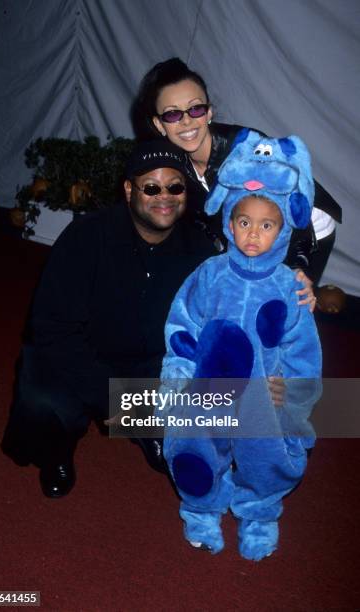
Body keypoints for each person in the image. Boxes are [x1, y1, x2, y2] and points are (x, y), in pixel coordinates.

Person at [1, 139, 313, 498]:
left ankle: (148, 429)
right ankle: (58, 449)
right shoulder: (86, 236)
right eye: (151, 187)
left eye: (174, 186)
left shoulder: (199, 250)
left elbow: (231, 316)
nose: (164, 196)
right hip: (76, 357)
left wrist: (275, 372)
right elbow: (52, 331)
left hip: (147, 366)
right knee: (43, 405)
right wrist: (110, 397)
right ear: (129, 189)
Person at [158, 130, 322, 561]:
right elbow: (184, 323)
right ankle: (201, 510)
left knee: (263, 460)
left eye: (266, 225)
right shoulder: (210, 273)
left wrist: (293, 394)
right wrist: (177, 375)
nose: (252, 234)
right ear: (229, 220)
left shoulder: (290, 287)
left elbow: (303, 350)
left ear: (284, 228)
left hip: (260, 397)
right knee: (194, 448)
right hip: (208, 388)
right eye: (243, 221)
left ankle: (259, 515)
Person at [133, 57, 342, 285]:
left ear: (209, 112)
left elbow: (290, 209)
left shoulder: (247, 151)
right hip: (256, 225)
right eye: (173, 114)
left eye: (196, 109)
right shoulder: (174, 162)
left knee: (281, 303)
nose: (186, 122)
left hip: (306, 226)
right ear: (159, 124)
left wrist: (298, 266)